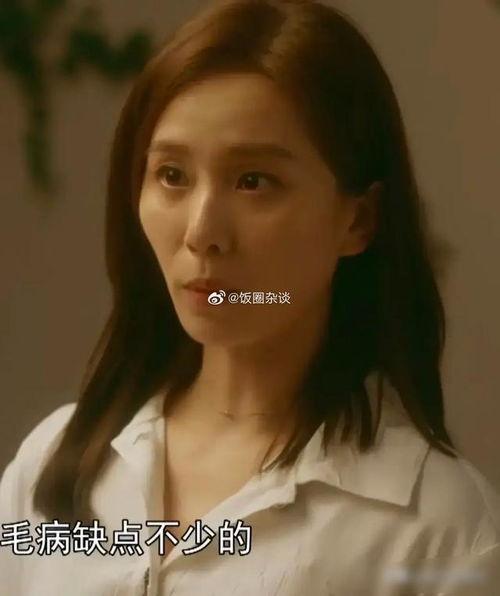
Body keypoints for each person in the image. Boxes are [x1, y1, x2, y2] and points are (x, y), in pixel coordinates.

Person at [1, 0, 499, 594]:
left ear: (358, 220)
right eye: (172, 176)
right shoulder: (52, 465)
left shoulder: (441, 530)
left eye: (253, 182)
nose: (202, 232)